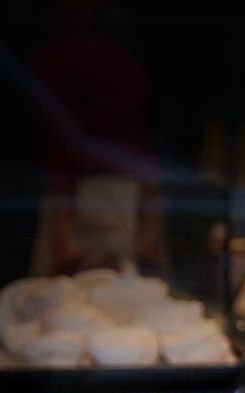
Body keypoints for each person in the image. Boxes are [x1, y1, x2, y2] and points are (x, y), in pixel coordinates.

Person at [29, 1, 166, 276]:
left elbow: (60, 149)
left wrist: (151, 232)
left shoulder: (57, 59)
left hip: (103, 196)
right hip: (98, 197)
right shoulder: (125, 63)